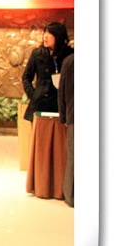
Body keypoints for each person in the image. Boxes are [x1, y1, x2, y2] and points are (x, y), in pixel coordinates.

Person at [22, 22, 73, 122]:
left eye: (50, 34)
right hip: (41, 103)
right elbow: (26, 77)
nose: (45, 36)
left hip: (62, 104)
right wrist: (34, 95)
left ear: (58, 36)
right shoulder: (38, 53)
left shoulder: (70, 55)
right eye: (45, 32)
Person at [58, 53, 74, 207]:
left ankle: (70, 196)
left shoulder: (69, 61)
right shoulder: (70, 61)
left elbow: (61, 91)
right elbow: (62, 91)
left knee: (73, 157)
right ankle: (70, 195)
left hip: (72, 115)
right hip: (73, 116)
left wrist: (64, 116)